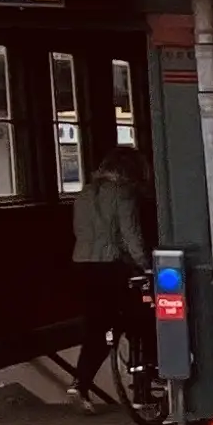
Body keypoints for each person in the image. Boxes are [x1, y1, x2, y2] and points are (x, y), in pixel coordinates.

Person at [68, 139, 151, 399]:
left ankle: (80, 383)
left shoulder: (83, 195)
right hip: (113, 266)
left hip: (83, 265)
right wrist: (146, 266)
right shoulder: (123, 194)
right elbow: (131, 236)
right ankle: (145, 382)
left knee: (96, 325)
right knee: (141, 319)